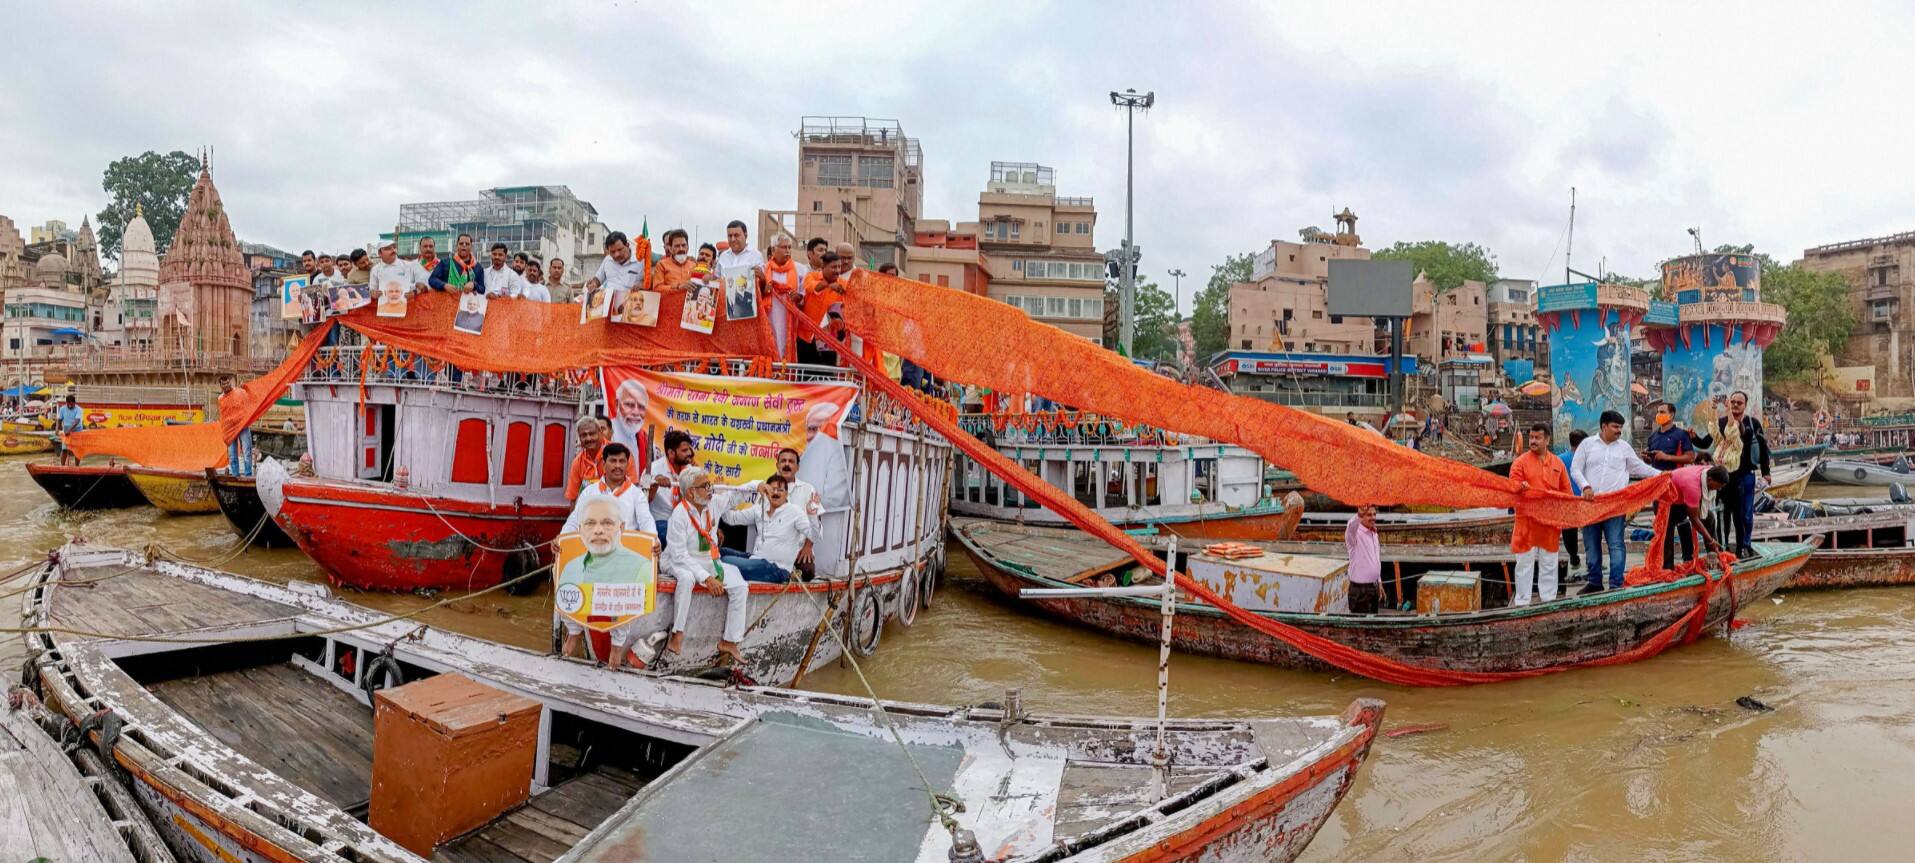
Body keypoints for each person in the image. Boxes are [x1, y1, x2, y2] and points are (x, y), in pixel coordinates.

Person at [662, 467, 751, 665]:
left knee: (740, 586)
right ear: (691, 492)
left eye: (710, 485)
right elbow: (679, 555)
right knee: (687, 578)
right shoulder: (679, 515)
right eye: (705, 486)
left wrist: (759, 486)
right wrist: (706, 578)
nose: (711, 489)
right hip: (677, 561)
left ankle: (730, 641)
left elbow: (737, 495)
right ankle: (677, 633)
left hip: (708, 561)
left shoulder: (713, 504)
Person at [556, 494, 651, 670]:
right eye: (590, 523)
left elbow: (648, 526)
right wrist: (560, 541)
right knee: (561, 577)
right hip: (582, 606)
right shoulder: (571, 568)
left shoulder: (640, 567)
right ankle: (571, 641)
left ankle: (615, 652)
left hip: (619, 620)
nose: (598, 530)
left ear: (621, 527)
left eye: (607, 523)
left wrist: (654, 544)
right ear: (580, 529)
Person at [1571, 409, 1658, 592]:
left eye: (1620, 427)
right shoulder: (1587, 445)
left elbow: (1640, 468)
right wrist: (1585, 486)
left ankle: (1616, 584)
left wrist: (1663, 475)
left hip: (1615, 506)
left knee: (1616, 544)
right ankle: (1594, 582)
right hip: (1590, 505)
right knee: (1591, 545)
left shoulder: (1624, 448)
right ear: (1604, 426)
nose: (1619, 431)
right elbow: (1575, 469)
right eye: (1615, 427)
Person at [1509, 423, 1572, 605]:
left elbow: (1567, 493)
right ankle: (1522, 602)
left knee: (1549, 562)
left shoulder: (1558, 464)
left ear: (1547, 440)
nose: (1533, 441)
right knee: (1523, 563)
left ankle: (1548, 600)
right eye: (1531, 438)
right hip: (1526, 521)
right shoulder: (1520, 463)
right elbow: (1512, 485)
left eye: (1537, 438)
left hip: (1549, 522)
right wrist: (1521, 487)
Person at [719, 474, 813, 584]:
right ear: (766, 491)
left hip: (777, 569)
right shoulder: (759, 509)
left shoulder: (795, 512)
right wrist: (723, 498)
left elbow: (812, 533)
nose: (776, 493)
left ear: (786, 494)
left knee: (725, 561)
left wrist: (808, 544)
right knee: (719, 553)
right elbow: (730, 518)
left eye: (780, 490)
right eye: (772, 489)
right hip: (756, 559)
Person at [1714, 391, 1771, 559]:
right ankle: (1723, 545)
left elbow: (1762, 448)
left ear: (1745, 405)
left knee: (1746, 513)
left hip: (1746, 474)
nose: (1736, 405)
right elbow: (1713, 442)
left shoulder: (1752, 423)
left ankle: (1745, 545)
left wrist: (1766, 472)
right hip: (1725, 477)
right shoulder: (1722, 422)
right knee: (1723, 512)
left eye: (1739, 402)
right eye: (1733, 402)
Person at [1643, 403, 1699, 567]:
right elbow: (1653, 461)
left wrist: (1667, 458)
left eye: (1662, 412)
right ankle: (1667, 566)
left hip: (1677, 485)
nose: (1659, 414)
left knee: (1682, 520)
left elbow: (1690, 457)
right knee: (1663, 526)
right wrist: (1648, 458)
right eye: (1658, 412)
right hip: (1659, 487)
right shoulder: (1653, 437)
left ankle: (1688, 558)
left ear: (1672, 415)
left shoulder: (1681, 435)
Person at [562, 443, 647, 531]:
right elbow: (574, 521)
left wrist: (654, 540)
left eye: (622, 461)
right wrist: (563, 538)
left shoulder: (637, 494)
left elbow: (646, 522)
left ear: (627, 464)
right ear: (604, 464)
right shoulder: (589, 492)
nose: (617, 466)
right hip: (595, 542)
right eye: (613, 461)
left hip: (626, 543)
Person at [795, 401, 852, 509]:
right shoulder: (799, 451)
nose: (809, 436)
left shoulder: (834, 451)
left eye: (814, 429)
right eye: (809, 429)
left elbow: (834, 499)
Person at [646, 429, 698, 541]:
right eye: (684, 450)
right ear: (671, 453)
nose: (689, 453)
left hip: (685, 521)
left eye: (689, 449)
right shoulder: (653, 470)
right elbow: (643, 500)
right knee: (678, 538)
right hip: (661, 521)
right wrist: (654, 484)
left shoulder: (691, 470)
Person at [798, 252, 846, 364]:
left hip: (829, 340)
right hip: (807, 336)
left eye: (839, 267)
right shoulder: (811, 276)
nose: (837, 270)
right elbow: (811, 288)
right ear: (823, 267)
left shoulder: (842, 284)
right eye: (834, 267)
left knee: (827, 376)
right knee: (805, 375)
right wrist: (829, 286)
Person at [762, 233, 804, 359]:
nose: (787, 251)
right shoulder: (764, 269)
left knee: (786, 345)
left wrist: (798, 297)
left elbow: (804, 295)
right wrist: (764, 290)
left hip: (789, 317)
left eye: (789, 247)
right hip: (769, 315)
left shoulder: (800, 269)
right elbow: (757, 293)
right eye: (784, 247)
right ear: (774, 250)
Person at [586, 231, 646, 311]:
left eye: (620, 250)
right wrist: (593, 283)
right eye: (612, 252)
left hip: (630, 309)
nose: (616, 255)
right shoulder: (607, 260)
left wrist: (642, 284)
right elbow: (598, 279)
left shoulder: (640, 261)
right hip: (607, 309)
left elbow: (649, 281)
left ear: (627, 245)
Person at [1344, 505, 1382, 614]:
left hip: (1373, 588)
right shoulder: (1355, 535)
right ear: (1361, 517)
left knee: (1373, 625)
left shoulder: (1374, 533)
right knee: (1359, 629)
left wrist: (1379, 581)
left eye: (1374, 514)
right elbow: (1350, 528)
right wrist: (1358, 515)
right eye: (1369, 515)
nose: (1373, 517)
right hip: (1360, 591)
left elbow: (1376, 559)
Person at [1558, 429, 1587, 569]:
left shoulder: (1559, 459)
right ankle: (1591, 560)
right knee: (1591, 530)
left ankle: (1574, 558)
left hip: (1566, 501)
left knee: (1569, 531)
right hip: (1585, 499)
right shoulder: (1586, 458)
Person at [608, 378, 651, 467]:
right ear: (617, 404)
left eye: (641, 406)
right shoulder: (606, 433)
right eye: (629, 405)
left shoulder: (646, 439)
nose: (636, 412)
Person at [564, 416, 604, 501]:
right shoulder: (577, 462)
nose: (588, 438)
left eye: (592, 434)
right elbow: (573, 497)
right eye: (584, 435)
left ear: (600, 433)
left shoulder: (618, 454)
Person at [647, 228, 695, 292]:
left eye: (684, 245)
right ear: (670, 248)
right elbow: (657, 288)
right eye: (677, 246)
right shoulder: (662, 265)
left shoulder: (694, 266)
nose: (681, 249)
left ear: (688, 247)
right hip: (668, 302)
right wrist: (678, 287)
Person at [55, 394, 83, 466]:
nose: (70, 406)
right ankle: (62, 466)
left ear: (74, 403)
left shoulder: (79, 409)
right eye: (68, 404)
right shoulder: (62, 409)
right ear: (66, 403)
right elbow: (59, 419)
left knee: (77, 450)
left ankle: (77, 467)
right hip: (66, 429)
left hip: (77, 430)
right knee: (64, 449)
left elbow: (77, 421)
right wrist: (57, 428)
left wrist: (69, 430)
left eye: (71, 404)